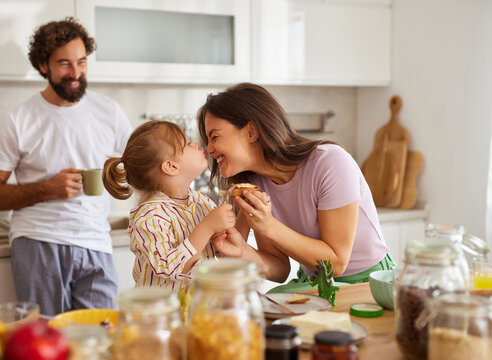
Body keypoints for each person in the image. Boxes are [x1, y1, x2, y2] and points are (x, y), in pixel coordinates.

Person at [0, 17, 132, 315]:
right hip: (38, 241)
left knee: (101, 336)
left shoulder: (108, 111)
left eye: (82, 62)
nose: (76, 73)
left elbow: (140, 163)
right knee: (44, 340)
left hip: (95, 241)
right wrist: (47, 189)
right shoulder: (19, 120)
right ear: (43, 65)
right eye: (64, 64)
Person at [197, 83, 395, 292]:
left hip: (368, 282)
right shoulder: (256, 184)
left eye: (215, 137)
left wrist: (269, 226)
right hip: (313, 283)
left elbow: (336, 263)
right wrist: (242, 251)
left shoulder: (330, 162)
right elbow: (280, 269)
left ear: (252, 131)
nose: (208, 150)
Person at [103, 120, 235, 291]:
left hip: (197, 309)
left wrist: (246, 218)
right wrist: (208, 227)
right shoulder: (150, 216)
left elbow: (226, 254)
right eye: (187, 144)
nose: (195, 144)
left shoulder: (201, 202)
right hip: (160, 314)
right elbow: (167, 266)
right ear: (171, 167)